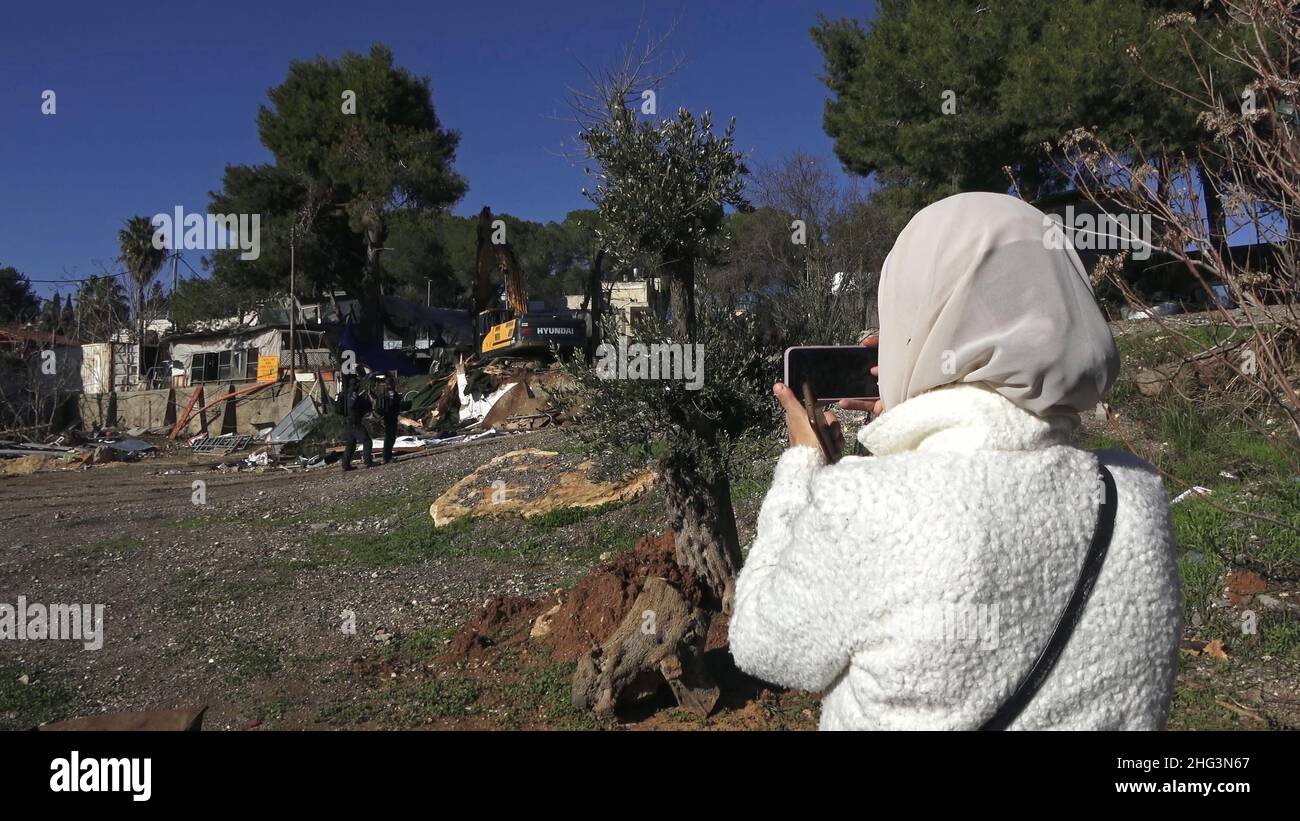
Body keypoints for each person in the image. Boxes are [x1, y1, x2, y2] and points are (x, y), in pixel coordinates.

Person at [728, 193, 1182, 730]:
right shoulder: (1135, 494)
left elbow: (761, 645)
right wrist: (915, 421)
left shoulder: (864, 504)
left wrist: (803, 467)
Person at [340, 371, 374, 471]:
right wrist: (363, 403)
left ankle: (345, 464)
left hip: (348, 422)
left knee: (351, 444)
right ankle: (368, 461)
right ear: (356, 385)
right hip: (354, 422)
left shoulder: (346, 394)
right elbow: (353, 405)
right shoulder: (353, 394)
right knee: (367, 441)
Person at [373, 372, 402, 464]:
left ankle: (387, 457)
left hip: (387, 417)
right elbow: (395, 403)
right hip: (390, 417)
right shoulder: (391, 394)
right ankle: (386, 457)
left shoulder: (383, 394)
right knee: (390, 438)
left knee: (389, 438)